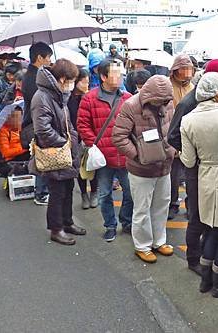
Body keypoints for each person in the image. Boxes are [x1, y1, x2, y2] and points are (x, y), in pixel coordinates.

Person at [167, 59, 218, 275]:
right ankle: (194, 259)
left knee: (213, 218)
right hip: (197, 169)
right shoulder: (189, 104)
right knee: (197, 216)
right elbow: (173, 135)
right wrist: (195, 155)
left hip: (212, 168)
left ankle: (209, 257)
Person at [180, 72, 218, 297]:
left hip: (204, 177)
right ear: (217, 92)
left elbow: (188, 160)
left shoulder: (188, 120)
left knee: (211, 232)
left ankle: (205, 281)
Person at [112, 75, 176, 263]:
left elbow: (172, 128)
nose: (162, 104)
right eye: (159, 100)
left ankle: (159, 241)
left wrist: (172, 149)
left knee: (162, 205)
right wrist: (139, 155)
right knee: (141, 209)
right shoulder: (131, 106)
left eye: (165, 100)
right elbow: (119, 137)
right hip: (141, 170)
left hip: (165, 166)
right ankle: (142, 245)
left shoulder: (168, 104)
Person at [30, 58, 87, 246]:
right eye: (71, 80)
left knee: (68, 188)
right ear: (62, 79)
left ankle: (67, 222)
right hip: (54, 152)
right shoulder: (42, 97)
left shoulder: (57, 95)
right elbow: (43, 130)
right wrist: (65, 143)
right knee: (57, 191)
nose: (72, 85)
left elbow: (67, 122)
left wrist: (73, 139)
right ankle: (56, 229)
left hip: (65, 150)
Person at [77, 59, 133, 242]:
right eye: (115, 74)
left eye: (120, 74)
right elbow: (83, 125)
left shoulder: (127, 97)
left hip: (125, 155)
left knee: (130, 192)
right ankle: (110, 225)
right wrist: (95, 146)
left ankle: (126, 221)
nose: (119, 77)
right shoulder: (89, 98)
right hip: (102, 157)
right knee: (105, 193)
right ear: (103, 76)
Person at [21, 42, 53, 206]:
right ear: (39, 57)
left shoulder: (32, 74)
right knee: (41, 156)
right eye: (48, 57)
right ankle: (41, 193)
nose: (49, 61)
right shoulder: (34, 78)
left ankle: (42, 191)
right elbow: (40, 103)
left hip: (34, 121)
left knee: (41, 156)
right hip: (36, 123)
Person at [167, 54, 195, 220]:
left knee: (191, 175)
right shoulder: (168, 86)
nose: (186, 72)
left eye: (189, 68)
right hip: (173, 134)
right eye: (183, 68)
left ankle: (190, 205)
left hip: (191, 135)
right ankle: (172, 204)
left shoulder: (193, 88)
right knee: (173, 175)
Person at [67, 67, 98, 210]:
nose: (87, 85)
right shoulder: (69, 98)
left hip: (91, 136)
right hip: (75, 137)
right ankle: (84, 194)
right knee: (80, 166)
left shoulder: (91, 97)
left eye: (88, 82)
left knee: (93, 164)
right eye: (84, 82)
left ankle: (94, 193)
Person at [0, 108, 30, 178]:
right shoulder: (1, 131)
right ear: (8, 118)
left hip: (16, 156)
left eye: (19, 117)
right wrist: (24, 149)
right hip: (5, 162)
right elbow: (6, 153)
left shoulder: (17, 128)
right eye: (15, 117)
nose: (18, 120)